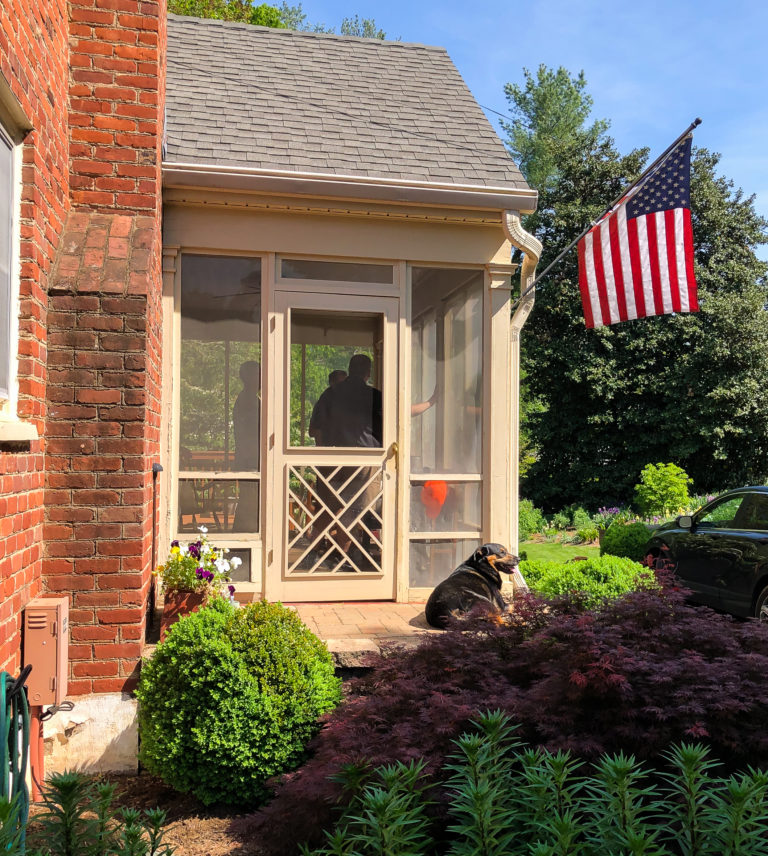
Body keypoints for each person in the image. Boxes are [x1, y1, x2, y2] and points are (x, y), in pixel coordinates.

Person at [233, 360, 260, 532]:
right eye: (258, 374)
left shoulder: (251, 399)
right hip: (250, 458)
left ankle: (245, 535)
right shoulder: (247, 400)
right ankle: (244, 537)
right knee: (249, 500)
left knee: (250, 500)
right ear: (249, 377)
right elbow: (248, 432)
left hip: (252, 456)